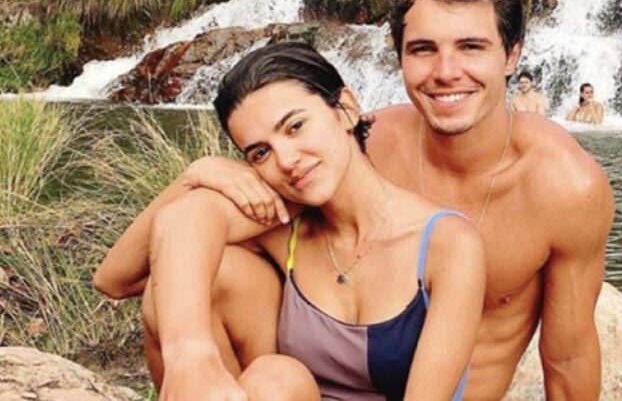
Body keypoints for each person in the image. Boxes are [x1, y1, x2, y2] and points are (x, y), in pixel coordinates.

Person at [95, 0, 614, 401]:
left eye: (471, 47)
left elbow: (568, 358)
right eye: (423, 49)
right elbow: (133, 268)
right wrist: (199, 175)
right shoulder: (356, 146)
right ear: (399, 58)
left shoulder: (564, 187)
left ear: (512, 54)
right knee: (216, 283)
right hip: (297, 387)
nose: (445, 72)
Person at [95, 42, 485, 401]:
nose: (286, 160)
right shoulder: (282, 220)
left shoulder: (447, 244)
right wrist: (194, 176)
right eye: (260, 153)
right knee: (266, 365)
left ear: (346, 109)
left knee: (275, 380)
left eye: (295, 126)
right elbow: (117, 278)